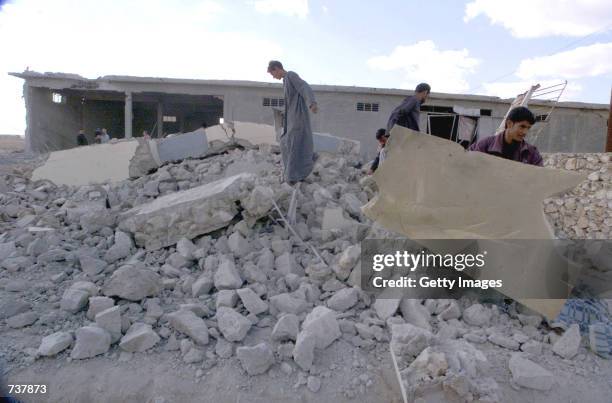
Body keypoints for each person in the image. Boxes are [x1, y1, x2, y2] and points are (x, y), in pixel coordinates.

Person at [267, 60, 318, 185]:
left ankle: (294, 176)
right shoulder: (285, 81)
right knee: (285, 142)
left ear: (277, 68)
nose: (273, 77)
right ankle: (292, 173)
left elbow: (304, 86)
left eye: (273, 74)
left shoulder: (291, 75)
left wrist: (312, 102)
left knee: (294, 144)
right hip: (291, 118)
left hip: (298, 117)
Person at [468, 106, 543, 166]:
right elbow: (466, 164)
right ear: (509, 124)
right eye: (522, 126)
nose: (525, 132)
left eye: (528, 128)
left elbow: (539, 178)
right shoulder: (484, 146)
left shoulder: (531, 153)